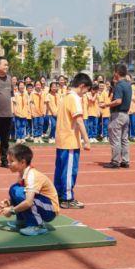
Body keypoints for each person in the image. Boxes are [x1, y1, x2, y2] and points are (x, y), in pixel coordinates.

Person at [0, 144, 59, 236]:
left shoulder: (31, 175)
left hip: (50, 210)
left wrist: (11, 210)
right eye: (8, 161)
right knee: (14, 189)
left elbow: (28, 202)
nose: (8, 164)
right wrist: (9, 202)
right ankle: (22, 220)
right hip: (41, 202)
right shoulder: (22, 173)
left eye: (11, 161)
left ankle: (37, 226)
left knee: (19, 193)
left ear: (22, 162)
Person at [54, 73, 91, 209]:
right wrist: (86, 140)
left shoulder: (65, 97)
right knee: (69, 171)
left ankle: (58, 195)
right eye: (86, 89)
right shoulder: (74, 98)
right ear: (82, 86)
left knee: (60, 170)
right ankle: (67, 198)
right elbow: (79, 120)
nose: (86, 93)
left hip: (62, 139)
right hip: (69, 140)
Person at [101, 64, 132, 169]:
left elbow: (118, 101)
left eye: (114, 72)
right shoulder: (128, 85)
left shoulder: (119, 85)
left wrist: (106, 105)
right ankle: (125, 160)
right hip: (126, 115)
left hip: (118, 114)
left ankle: (115, 161)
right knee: (124, 139)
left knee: (115, 138)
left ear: (117, 73)